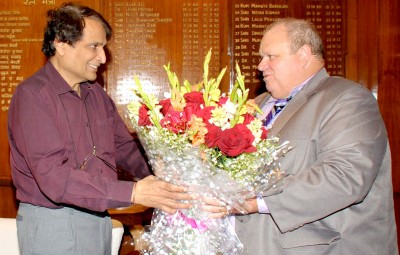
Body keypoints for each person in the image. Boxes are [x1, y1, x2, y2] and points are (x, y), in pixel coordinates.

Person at [7, 3, 193, 254]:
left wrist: (165, 172)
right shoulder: (32, 96)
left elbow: (125, 148)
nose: (103, 57)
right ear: (61, 44)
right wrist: (135, 191)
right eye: (93, 46)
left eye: (103, 47)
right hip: (54, 223)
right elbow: (54, 178)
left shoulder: (96, 95)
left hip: (99, 216)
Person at [234, 18, 398, 254]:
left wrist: (256, 200)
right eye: (261, 57)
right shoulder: (255, 106)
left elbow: (345, 176)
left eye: (271, 56)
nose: (261, 65)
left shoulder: (346, 99)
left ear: (303, 55)